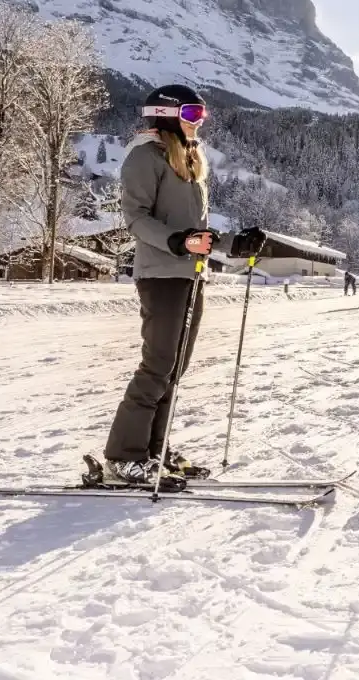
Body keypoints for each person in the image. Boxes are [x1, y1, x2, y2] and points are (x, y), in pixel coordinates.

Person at [101, 84, 264, 487]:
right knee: (156, 366)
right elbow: (136, 218)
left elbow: (198, 232)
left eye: (202, 116)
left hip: (192, 275)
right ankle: (123, 457)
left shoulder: (192, 160)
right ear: (167, 115)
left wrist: (232, 244)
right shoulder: (144, 157)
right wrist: (176, 242)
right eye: (192, 115)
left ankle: (154, 451)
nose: (199, 123)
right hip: (160, 275)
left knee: (175, 370)